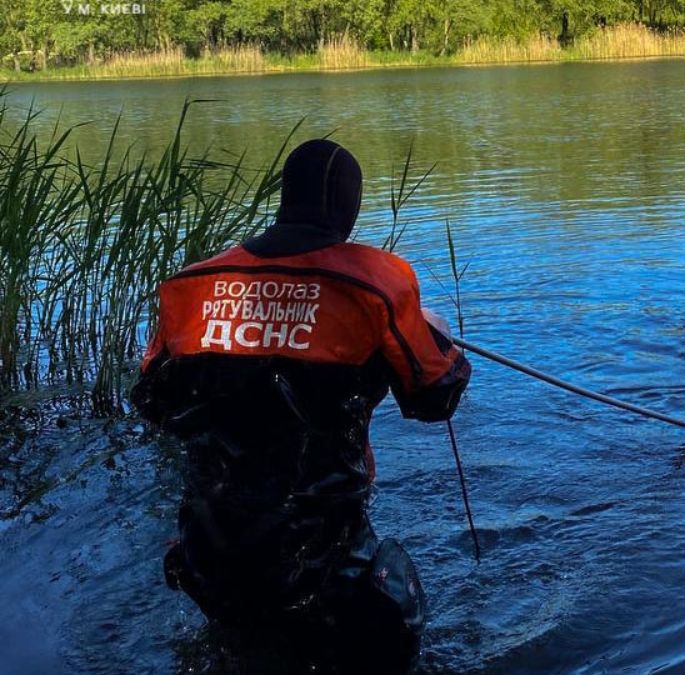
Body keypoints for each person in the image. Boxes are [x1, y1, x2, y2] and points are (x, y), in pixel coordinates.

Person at [132, 139, 471, 672]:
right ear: (348, 207)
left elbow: (155, 403)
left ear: (286, 198)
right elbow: (434, 398)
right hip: (322, 554)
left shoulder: (190, 286)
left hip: (209, 548)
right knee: (394, 596)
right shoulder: (377, 284)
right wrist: (437, 335)